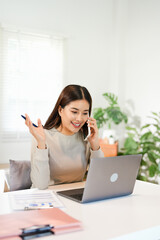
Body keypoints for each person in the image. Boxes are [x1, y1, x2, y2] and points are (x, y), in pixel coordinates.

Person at [24, 84, 104, 189]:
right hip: (46, 199)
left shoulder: (84, 138)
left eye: (85, 113)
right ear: (60, 110)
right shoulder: (42, 136)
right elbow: (40, 186)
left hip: (74, 199)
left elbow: (100, 179)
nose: (80, 119)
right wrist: (41, 145)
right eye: (74, 112)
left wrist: (95, 145)